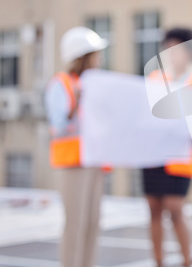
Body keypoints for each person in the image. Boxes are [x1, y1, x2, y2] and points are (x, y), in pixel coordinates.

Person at [142, 27, 192, 267]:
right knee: (154, 208)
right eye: (168, 47)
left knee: (175, 208)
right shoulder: (154, 80)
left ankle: (187, 261)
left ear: (189, 52)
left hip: (181, 155)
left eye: (176, 48)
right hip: (154, 153)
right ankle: (158, 262)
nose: (171, 53)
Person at [45, 26, 108, 267]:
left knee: (92, 223)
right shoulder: (61, 83)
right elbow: (57, 125)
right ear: (83, 56)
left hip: (92, 161)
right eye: (96, 54)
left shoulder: (94, 84)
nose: (99, 59)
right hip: (73, 163)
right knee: (76, 225)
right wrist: (78, 104)